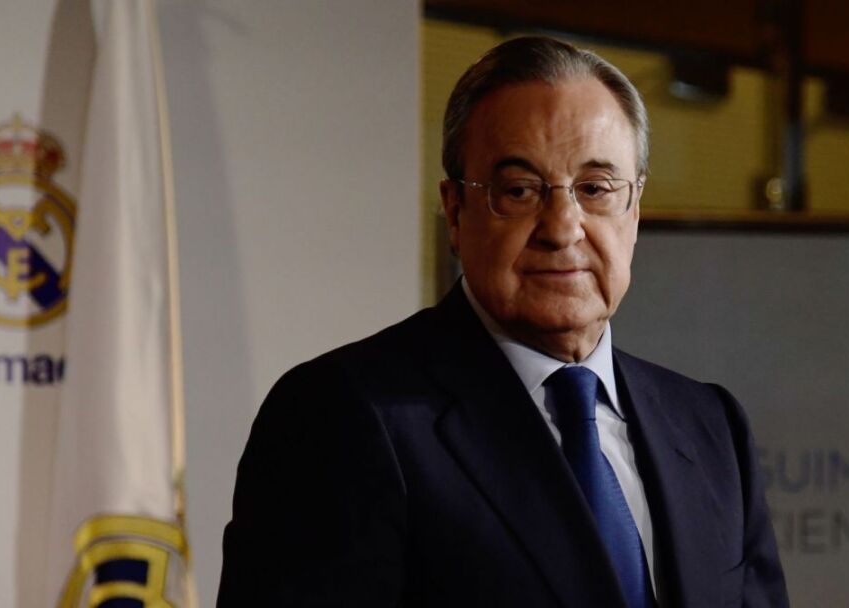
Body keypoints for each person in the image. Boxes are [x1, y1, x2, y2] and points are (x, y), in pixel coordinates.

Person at [218, 36, 788, 607]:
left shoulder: (709, 426)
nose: (562, 228)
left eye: (595, 189)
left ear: (634, 210)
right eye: (519, 191)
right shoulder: (341, 415)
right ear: (455, 212)